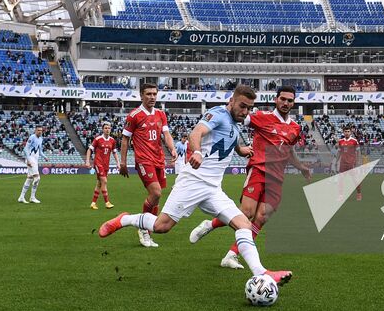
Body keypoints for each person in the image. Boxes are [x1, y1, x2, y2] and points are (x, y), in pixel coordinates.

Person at [98, 84, 292, 287]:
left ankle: (263, 273)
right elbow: (196, 133)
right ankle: (124, 219)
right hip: (193, 182)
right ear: (231, 101)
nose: (245, 112)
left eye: (249, 108)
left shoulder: (235, 123)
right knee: (161, 226)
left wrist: (240, 149)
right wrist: (197, 151)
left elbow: (226, 137)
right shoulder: (217, 113)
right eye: (242, 106)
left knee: (244, 224)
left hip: (213, 189)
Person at [189, 85, 311, 269]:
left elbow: (289, 152)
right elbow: (232, 121)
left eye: (290, 100)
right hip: (259, 169)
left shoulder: (295, 127)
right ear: (276, 99)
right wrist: (237, 147)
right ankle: (210, 224)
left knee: (261, 218)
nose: (286, 103)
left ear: (294, 103)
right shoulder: (261, 117)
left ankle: (231, 255)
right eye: (283, 99)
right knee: (246, 213)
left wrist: (301, 167)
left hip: (277, 178)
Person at [120, 83, 178, 248]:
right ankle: (143, 228)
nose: (152, 97)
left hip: (159, 159)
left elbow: (166, 134)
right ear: (141, 95)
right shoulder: (135, 115)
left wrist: (172, 149)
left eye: (154, 94)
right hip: (144, 160)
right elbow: (125, 139)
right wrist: (123, 162)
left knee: (157, 198)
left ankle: (149, 230)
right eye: (148, 94)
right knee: (156, 193)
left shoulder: (160, 114)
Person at [85, 122, 117, 210]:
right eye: (105, 128)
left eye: (109, 128)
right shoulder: (98, 139)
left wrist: (118, 163)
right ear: (103, 129)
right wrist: (87, 161)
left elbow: (114, 152)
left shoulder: (112, 140)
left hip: (106, 165)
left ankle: (93, 203)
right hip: (98, 163)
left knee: (99, 183)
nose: (107, 129)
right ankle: (107, 202)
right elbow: (89, 150)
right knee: (104, 181)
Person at [18, 125, 47, 204]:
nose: (40, 132)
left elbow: (40, 151)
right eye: (38, 130)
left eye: (41, 130)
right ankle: (32, 197)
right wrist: (28, 160)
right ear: (35, 130)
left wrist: (45, 157)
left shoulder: (41, 139)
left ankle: (21, 197)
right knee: (37, 178)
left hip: (35, 160)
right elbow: (25, 148)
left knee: (30, 178)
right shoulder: (32, 137)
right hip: (30, 159)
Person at [337, 125, 362, 201]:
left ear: (350, 132)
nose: (347, 133)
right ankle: (341, 195)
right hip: (343, 164)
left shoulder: (354, 141)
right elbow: (339, 152)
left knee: (356, 180)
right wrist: (336, 161)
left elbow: (358, 152)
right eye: (345, 131)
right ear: (343, 132)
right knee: (340, 180)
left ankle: (359, 193)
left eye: (348, 131)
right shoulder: (340, 141)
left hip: (352, 164)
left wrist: (358, 162)